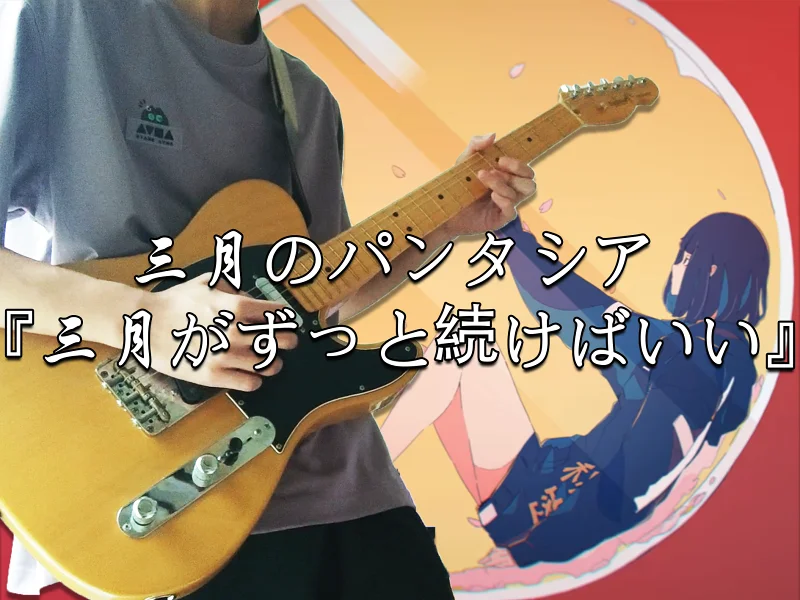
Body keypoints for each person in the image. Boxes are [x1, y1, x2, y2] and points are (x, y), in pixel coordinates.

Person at [0, 1, 537, 598]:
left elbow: (320, 293)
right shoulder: (61, 21)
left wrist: (442, 224)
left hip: (356, 496)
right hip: (182, 513)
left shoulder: (305, 97)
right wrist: (145, 319)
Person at [381, 211, 768, 569]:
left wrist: (535, 546)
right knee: (461, 347)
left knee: (457, 349)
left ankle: (361, 482)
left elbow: (644, 474)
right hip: (545, 488)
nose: (677, 267)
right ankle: (364, 477)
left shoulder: (696, 360)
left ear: (713, 269)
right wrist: (515, 239)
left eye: (686, 257)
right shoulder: (701, 352)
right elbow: (584, 311)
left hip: (541, 503)